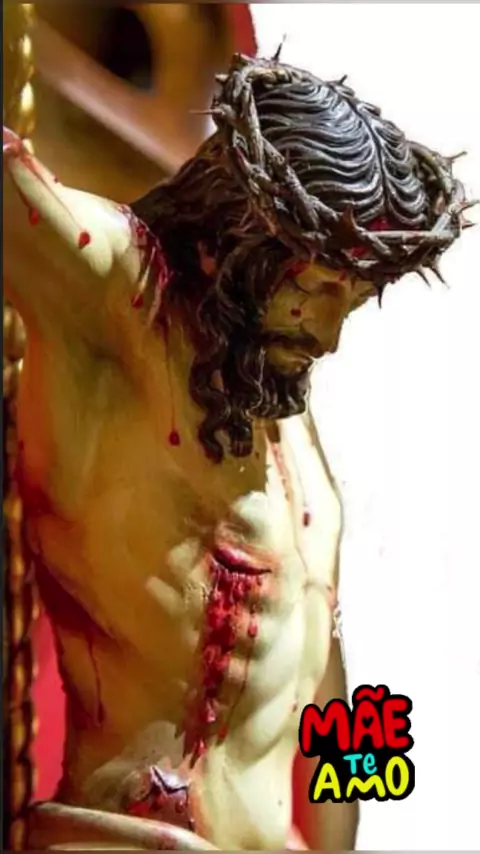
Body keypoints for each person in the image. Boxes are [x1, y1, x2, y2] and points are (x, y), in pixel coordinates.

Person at [3, 53, 470, 850]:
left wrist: (350, 838)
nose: (330, 336)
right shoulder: (126, 307)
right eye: (315, 288)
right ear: (236, 236)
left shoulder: (283, 408)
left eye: (353, 301)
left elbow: (322, 667)